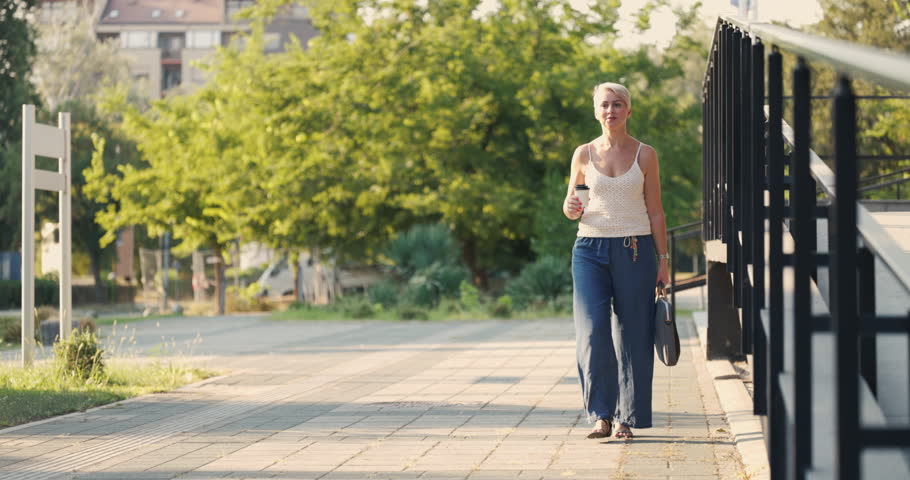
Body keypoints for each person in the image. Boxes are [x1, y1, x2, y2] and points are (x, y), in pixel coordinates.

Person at [562, 82, 670, 440]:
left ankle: (628, 418)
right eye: (605, 105)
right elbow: (570, 205)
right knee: (592, 332)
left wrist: (663, 259)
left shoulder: (645, 154)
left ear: (629, 110)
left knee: (634, 335)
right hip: (589, 251)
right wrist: (570, 207)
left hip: (634, 250)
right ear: (596, 111)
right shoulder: (582, 154)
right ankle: (601, 415)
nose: (611, 111)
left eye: (618, 104)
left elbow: (655, 211)